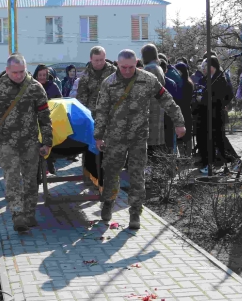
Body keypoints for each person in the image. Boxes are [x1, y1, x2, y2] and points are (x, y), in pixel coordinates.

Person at [94, 49, 186, 230]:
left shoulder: (148, 80)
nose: (126, 71)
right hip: (115, 138)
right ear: (118, 65)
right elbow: (101, 111)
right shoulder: (109, 83)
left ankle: (135, 212)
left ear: (136, 62)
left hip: (138, 137)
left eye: (130, 67)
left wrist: (179, 122)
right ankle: (108, 203)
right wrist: (98, 136)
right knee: (111, 173)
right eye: (123, 67)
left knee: (137, 176)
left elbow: (166, 99)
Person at [0, 54, 53, 232]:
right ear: (7, 70)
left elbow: (45, 118)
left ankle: (29, 213)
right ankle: (18, 215)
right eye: (15, 72)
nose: (18, 76)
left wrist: (47, 142)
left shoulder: (35, 88)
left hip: (30, 143)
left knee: (31, 180)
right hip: (6, 142)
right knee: (12, 179)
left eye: (22, 72)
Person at [75, 47, 117, 192]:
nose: (99, 63)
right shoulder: (86, 75)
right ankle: (90, 178)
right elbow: (81, 98)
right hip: (91, 118)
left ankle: (107, 180)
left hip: (111, 117)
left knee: (109, 149)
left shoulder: (114, 72)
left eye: (102, 60)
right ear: (91, 59)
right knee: (90, 149)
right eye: (96, 60)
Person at [196, 56, 232, 174]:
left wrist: (203, 99)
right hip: (208, 114)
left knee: (219, 140)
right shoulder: (210, 78)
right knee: (211, 140)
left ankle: (224, 164)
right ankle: (212, 164)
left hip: (216, 114)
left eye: (206, 66)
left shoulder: (220, 78)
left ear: (212, 66)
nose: (204, 68)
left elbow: (219, 97)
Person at [141, 44, 175, 159]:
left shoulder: (149, 69)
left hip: (150, 114)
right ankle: (161, 174)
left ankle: (155, 175)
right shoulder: (158, 67)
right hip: (158, 110)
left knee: (151, 152)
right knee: (158, 149)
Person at [174, 62, 194, 156]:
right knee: (187, 134)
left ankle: (183, 155)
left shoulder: (180, 83)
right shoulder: (189, 83)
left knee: (180, 135)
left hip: (180, 110)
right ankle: (188, 155)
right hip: (186, 110)